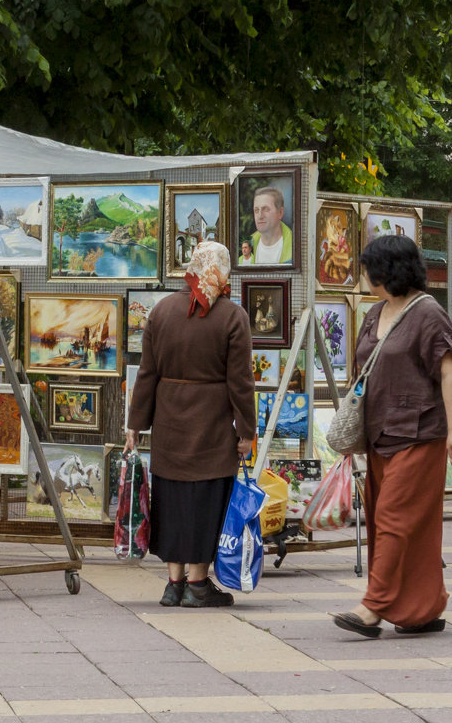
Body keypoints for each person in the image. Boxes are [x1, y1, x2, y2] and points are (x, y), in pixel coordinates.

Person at [332, 235, 452, 638]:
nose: (364, 274)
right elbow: (363, 372)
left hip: (420, 433)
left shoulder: (429, 314)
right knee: (396, 522)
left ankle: (373, 606)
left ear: (389, 270)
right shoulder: (374, 314)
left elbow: (449, 372)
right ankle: (422, 610)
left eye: (369, 267)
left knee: (393, 517)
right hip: (378, 433)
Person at [125, 241, 255, 607]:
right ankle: (198, 584)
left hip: (168, 423)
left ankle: (173, 582)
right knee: (205, 499)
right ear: (222, 270)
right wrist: (246, 431)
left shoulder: (162, 311)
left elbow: (147, 374)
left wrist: (135, 425)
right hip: (211, 426)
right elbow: (241, 383)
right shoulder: (232, 316)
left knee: (171, 498)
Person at [249, 185, 293, 265]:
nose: (260, 216)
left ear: (280, 212)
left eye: (265, 209)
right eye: (256, 210)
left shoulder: (295, 247)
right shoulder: (248, 244)